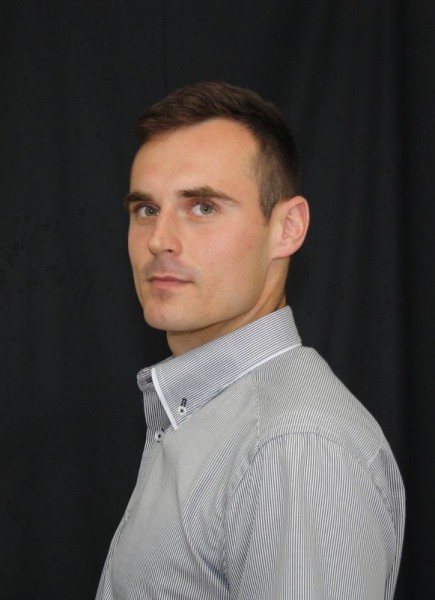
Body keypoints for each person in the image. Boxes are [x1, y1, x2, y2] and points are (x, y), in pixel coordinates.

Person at [96, 81, 405, 599]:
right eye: (146, 209)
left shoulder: (296, 447)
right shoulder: (215, 416)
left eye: (202, 207)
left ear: (288, 228)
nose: (159, 240)